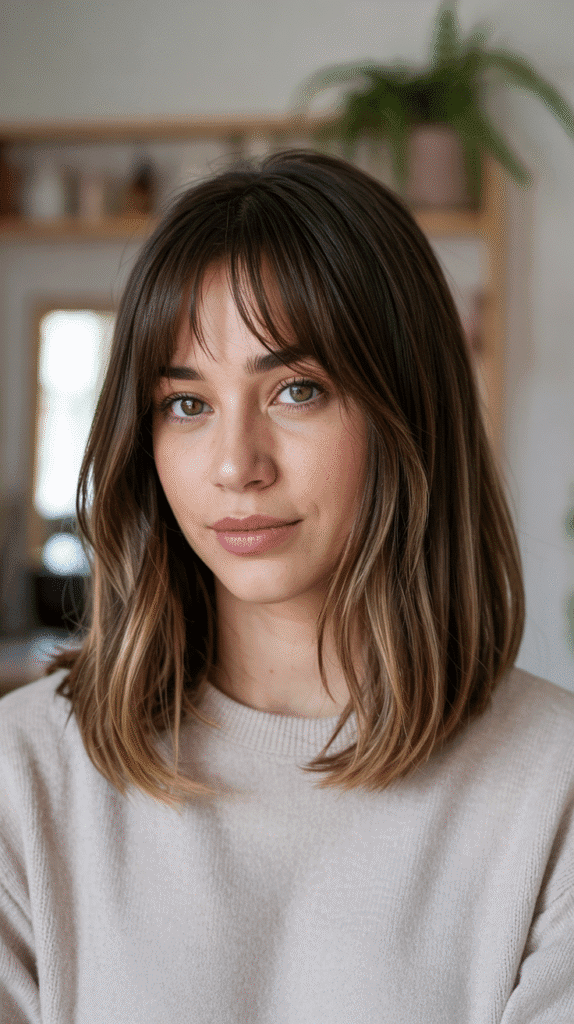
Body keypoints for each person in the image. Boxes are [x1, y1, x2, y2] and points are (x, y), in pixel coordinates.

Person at [1, 149, 573, 1024]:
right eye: (187, 403)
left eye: (297, 391)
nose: (236, 465)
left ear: (408, 408)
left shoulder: (554, 790)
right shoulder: (23, 777)